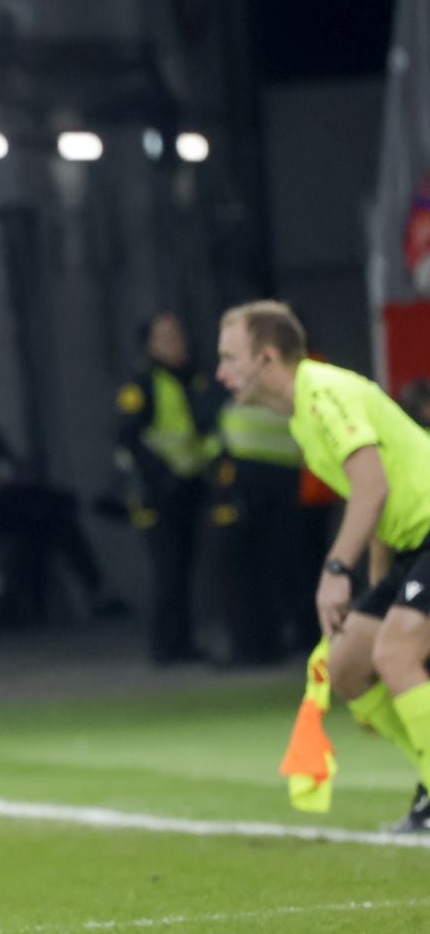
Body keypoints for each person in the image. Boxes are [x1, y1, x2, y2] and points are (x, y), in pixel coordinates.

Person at [216, 301, 430, 835]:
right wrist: (379, 589)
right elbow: (383, 505)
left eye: (229, 357)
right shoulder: (301, 414)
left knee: (397, 651)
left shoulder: (322, 392)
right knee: (350, 664)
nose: (220, 372)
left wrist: (337, 570)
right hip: (413, 544)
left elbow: (372, 486)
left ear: (266, 358)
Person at [0, 365, 121, 626]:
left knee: (49, 519)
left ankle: (41, 602)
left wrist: (17, 474)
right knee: (48, 513)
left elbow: (9, 462)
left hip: (2, 501)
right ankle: (86, 592)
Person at [116, 311, 222, 664]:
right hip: (156, 492)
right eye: (167, 337)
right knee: (167, 569)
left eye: (179, 335)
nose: (178, 343)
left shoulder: (194, 379)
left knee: (186, 568)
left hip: (190, 487)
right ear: (150, 345)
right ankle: (165, 646)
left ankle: (183, 642)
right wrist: (160, 475)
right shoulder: (143, 384)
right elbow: (128, 436)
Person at [210, 379, 307, 664]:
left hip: (243, 484)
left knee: (240, 570)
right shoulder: (286, 390)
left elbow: (212, 438)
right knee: (272, 567)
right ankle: (268, 644)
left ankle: (248, 647)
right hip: (284, 484)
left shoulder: (231, 394)